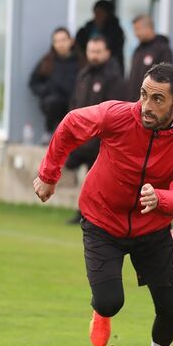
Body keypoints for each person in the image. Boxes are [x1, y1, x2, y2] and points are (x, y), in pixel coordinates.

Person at [33, 63, 173, 346]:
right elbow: (71, 125)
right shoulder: (117, 115)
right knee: (110, 301)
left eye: (157, 99)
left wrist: (162, 199)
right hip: (102, 220)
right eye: (143, 95)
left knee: (169, 308)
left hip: (153, 228)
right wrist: (48, 174)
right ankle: (100, 311)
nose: (146, 106)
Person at [64, 36, 127, 224]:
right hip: (81, 138)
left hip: (101, 140)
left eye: (98, 52)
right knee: (86, 178)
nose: (94, 56)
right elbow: (75, 104)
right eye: (91, 51)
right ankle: (83, 212)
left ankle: (95, 215)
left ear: (107, 53)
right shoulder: (84, 75)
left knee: (98, 180)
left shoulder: (114, 79)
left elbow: (115, 113)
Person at [28, 27, 84, 142]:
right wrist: (45, 90)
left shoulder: (81, 61)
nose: (60, 44)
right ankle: (50, 133)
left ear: (71, 41)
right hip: (53, 105)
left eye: (63, 40)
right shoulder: (47, 61)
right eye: (56, 41)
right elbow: (33, 82)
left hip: (74, 104)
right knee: (53, 102)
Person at [127, 15, 173, 101]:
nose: (135, 34)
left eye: (137, 29)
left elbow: (167, 78)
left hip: (151, 104)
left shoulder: (162, 49)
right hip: (134, 103)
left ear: (148, 28)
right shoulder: (138, 50)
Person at [75, 0, 125, 74]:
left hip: (109, 69)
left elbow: (116, 52)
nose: (97, 15)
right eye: (96, 12)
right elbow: (78, 46)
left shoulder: (115, 31)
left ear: (107, 14)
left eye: (101, 13)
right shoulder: (86, 29)